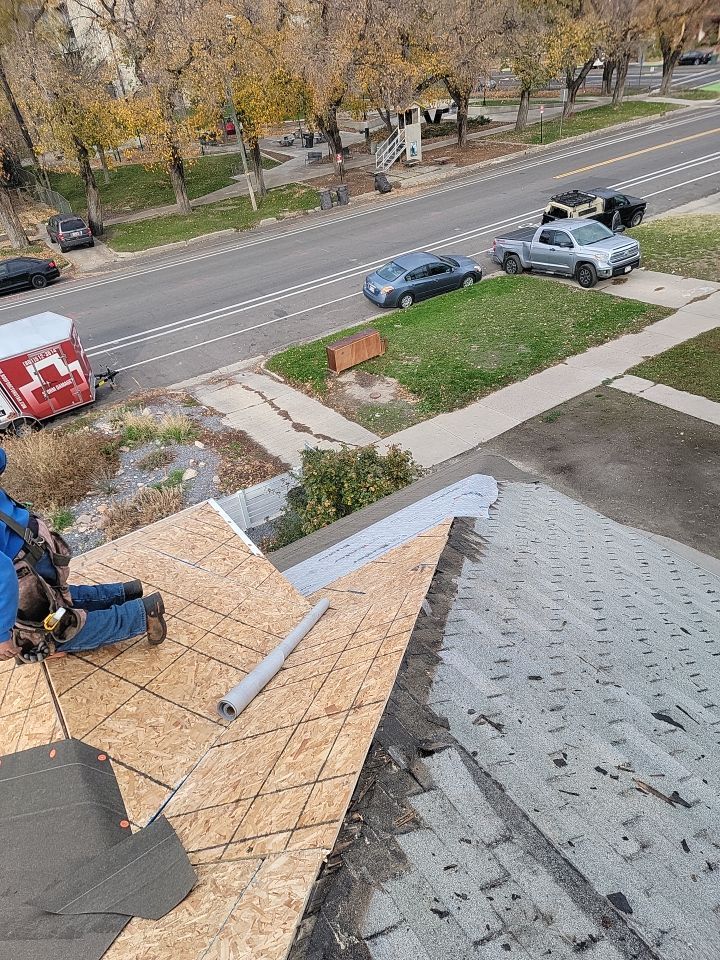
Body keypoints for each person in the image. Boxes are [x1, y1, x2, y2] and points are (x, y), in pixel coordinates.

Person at [0, 447, 166, 664]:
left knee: (56, 629)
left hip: (21, 562)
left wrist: (2, 635)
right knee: (58, 600)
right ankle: (124, 593)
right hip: (28, 535)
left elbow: (3, 576)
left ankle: (142, 615)